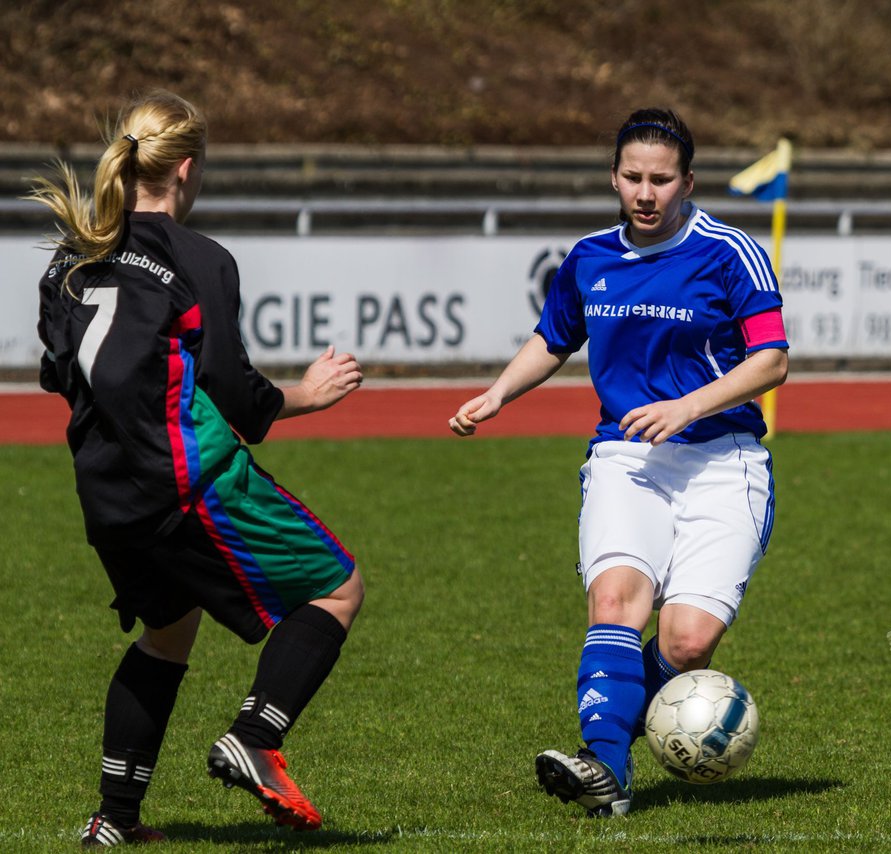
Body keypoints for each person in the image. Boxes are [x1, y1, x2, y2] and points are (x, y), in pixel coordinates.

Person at [26, 90, 366, 846]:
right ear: (185, 169)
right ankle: (256, 736)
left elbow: (59, 375)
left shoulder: (69, 258)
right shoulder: (201, 260)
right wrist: (308, 394)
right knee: (338, 587)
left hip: (107, 497)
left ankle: (114, 820)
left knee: (168, 631)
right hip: (189, 482)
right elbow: (238, 399)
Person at [449, 107, 788, 817]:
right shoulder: (590, 257)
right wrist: (497, 393)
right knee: (614, 603)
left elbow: (771, 360)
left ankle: (615, 734)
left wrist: (688, 407)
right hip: (626, 460)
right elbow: (553, 337)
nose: (645, 192)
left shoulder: (730, 253)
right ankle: (607, 770)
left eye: (661, 180)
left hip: (722, 462)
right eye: (632, 176)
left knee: (688, 642)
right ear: (613, 176)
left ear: (687, 182)